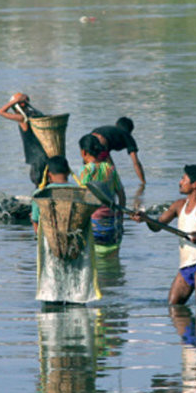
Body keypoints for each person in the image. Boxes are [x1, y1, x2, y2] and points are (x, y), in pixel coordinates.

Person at [132, 165, 196, 305]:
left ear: (194, 184)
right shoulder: (178, 205)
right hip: (186, 266)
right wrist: (145, 219)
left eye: (183, 179)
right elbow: (157, 226)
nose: (180, 182)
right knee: (173, 307)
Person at [31, 155, 101, 303]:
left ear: (49, 174)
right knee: (76, 278)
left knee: (52, 276)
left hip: (51, 242)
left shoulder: (40, 194)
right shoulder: (81, 193)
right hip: (77, 243)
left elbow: (36, 221)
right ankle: (76, 300)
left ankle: (52, 302)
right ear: (69, 173)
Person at [78, 133, 126, 255]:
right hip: (112, 221)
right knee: (113, 257)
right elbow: (121, 194)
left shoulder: (85, 170)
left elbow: (82, 197)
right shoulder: (110, 168)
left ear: (83, 152)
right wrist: (120, 217)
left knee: (95, 260)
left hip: (94, 223)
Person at [0, 92, 48, 186]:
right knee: (45, 180)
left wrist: (15, 100)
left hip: (36, 155)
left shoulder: (22, 117)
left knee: (39, 182)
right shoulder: (35, 114)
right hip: (45, 153)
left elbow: (1, 112)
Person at [91, 117, 146, 184]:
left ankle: (89, 183)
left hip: (89, 138)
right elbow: (136, 163)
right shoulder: (127, 136)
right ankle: (109, 186)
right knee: (111, 171)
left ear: (116, 124)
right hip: (102, 141)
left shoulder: (111, 130)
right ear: (130, 130)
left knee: (95, 165)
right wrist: (143, 182)